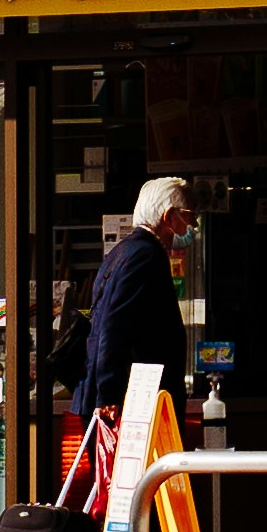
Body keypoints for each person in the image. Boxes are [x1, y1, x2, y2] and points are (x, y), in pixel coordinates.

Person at [73, 175, 195, 434]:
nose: (193, 224)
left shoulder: (123, 251)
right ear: (168, 216)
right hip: (131, 402)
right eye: (189, 215)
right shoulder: (145, 255)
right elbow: (114, 325)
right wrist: (109, 395)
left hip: (120, 395)